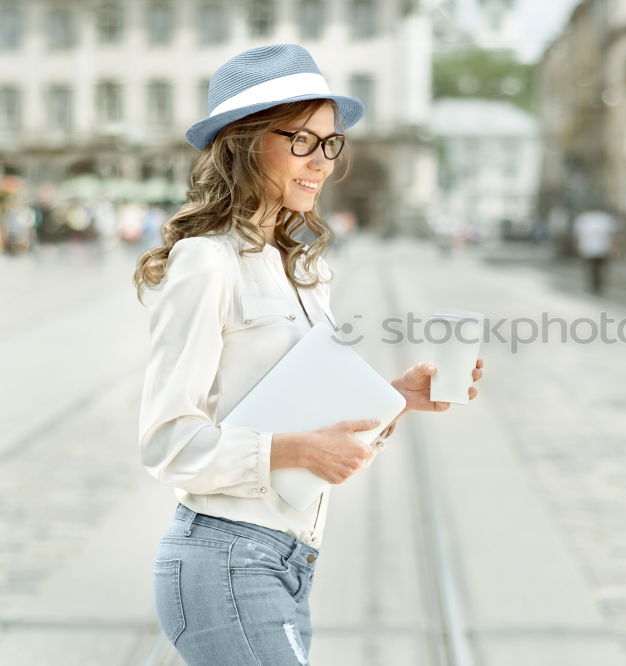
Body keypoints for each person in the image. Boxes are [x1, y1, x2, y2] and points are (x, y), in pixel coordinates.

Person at [131, 45, 485, 665]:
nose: (321, 162)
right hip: (225, 561)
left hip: (290, 563)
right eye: (301, 140)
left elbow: (298, 413)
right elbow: (167, 443)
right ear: (243, 142)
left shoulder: (302, 271)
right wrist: (297, 451)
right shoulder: (205, 262)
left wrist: (394, 400)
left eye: (330, 144)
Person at [573, 204, 617, 295]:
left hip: (597, 248)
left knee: (595, 267)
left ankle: (595, 284)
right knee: (596, 267)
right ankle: (595, 284)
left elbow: (578, 235)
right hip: (595, 248)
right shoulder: (604, 218)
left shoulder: (585, 218)